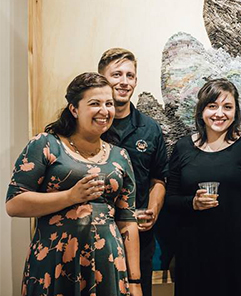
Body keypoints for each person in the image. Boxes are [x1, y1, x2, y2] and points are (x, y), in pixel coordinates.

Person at [5, 72, 141, 296]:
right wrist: (71, 196)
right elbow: (14, 204)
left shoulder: (120, 156)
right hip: (55, 260)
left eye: (109, 104)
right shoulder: (46, 144)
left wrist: (135, 281)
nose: (104, 111)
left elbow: (127, 220)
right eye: (95, 103)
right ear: (74, 109)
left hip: (108, 262)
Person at [165, 78, 241, 296]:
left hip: (237, 249)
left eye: (227, 107)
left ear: (235, 112)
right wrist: (192, 203)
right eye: (212, 106)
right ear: (202, 110)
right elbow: (170, 199)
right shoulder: (183, 147)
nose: (219, 113)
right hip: (193, 249)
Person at [99, 48, 168, 296]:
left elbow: (158, 178)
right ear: (102, 78)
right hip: (96, 232)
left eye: (130, 75)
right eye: (116, 74)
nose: (124, 81)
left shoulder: (150, 129)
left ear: (136, 81)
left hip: (139, 236)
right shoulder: (90, 123)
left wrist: (153, 211)